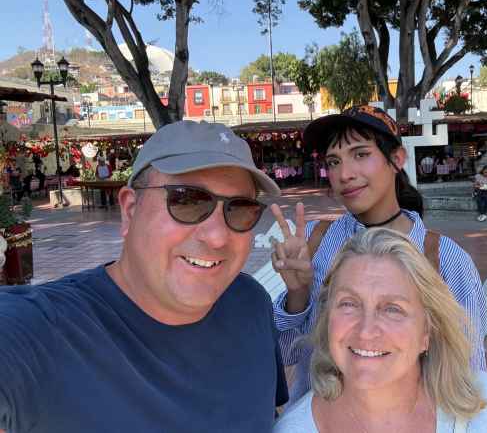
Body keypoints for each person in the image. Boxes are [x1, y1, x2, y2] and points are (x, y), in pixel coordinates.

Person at [0, 121, 288, 433]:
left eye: (240, 208)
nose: (218, 236)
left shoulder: (249, 302)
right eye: (187, 201)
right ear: (130, 209)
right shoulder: (38, 331)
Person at [271, 106, 487, 403]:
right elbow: (286, 354)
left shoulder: (446, 260)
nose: (344, 174)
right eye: (334, 161)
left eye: (361, 154)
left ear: (396, 159)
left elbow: (468, 370)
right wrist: (297, 294)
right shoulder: (311, 243)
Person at [273, 228, 487, 432]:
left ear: (427, 332)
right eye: (349, 304)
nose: (366, 332)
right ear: (328, 318)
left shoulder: (483, 407)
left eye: (392, 309)